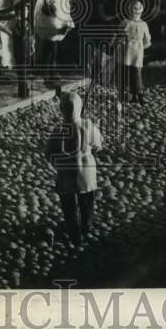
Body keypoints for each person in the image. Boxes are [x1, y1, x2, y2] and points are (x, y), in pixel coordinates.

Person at [44, 91, 103, 246]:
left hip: (66, 173)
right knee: (87, 202)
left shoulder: (58, 130)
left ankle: (74, 233)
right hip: (87, 172)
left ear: (61, 109)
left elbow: (48, 152)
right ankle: (86, 226)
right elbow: (98, 144)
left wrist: (56, 163)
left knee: (68, 205)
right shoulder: (88, 125)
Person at [121, 0, 152, 104]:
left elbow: (119, 37)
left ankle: (132, 95)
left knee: (128, 74)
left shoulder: (125, 23)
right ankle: (139, 95)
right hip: (138, 50)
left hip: (127, 50)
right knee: (137, 73)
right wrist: (142, 46)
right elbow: (147, 40)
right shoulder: (144, 24)